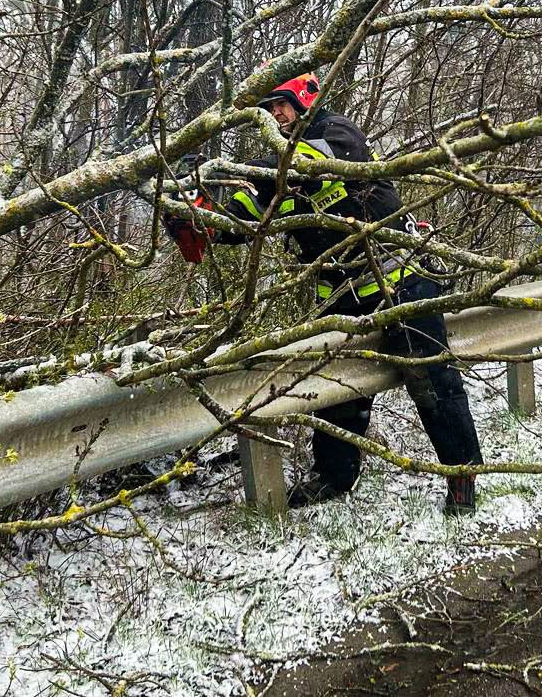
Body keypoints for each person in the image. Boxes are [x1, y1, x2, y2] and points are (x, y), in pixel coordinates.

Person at [163, 73, 483, 516]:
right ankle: (334, 478)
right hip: (342, 296)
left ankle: (463, 479)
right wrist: (193, 213)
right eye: (269, 109)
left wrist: (256, 168)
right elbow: (243, 221)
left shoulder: (337, 134)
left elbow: (313, 161)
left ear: (306, 100)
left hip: (399, 282)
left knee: (434, 386)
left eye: (282, 106)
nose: (275, 115)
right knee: (337, 391)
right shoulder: (276, 176)